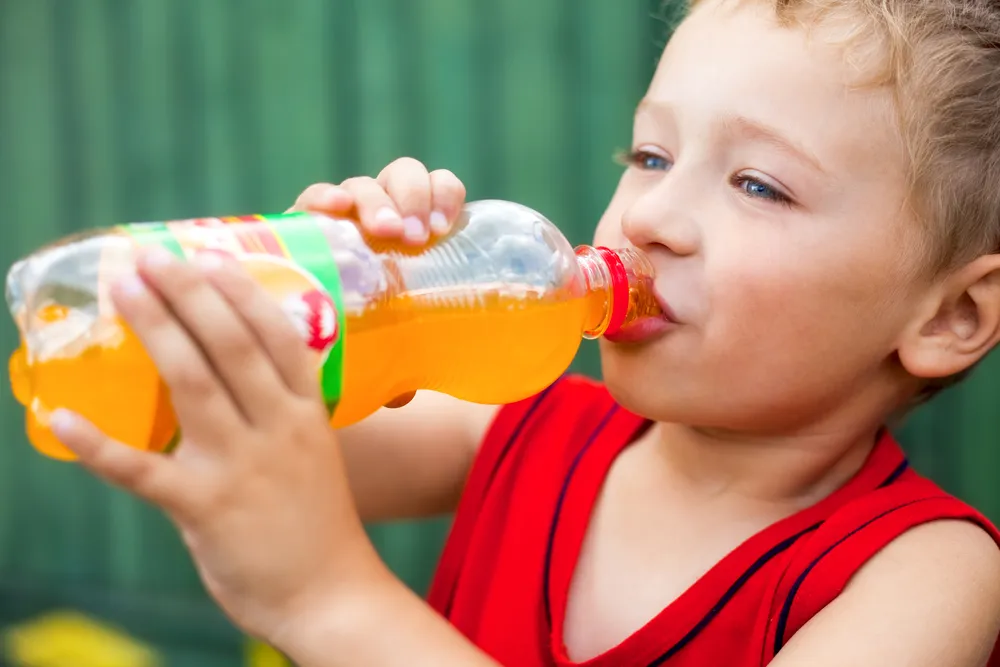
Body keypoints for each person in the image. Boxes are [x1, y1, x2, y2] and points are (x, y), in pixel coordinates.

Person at [49, 0, 1000, 664]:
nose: (651, 215)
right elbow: (227, 440)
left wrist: (329, 604)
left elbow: (310, 574)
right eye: (651, 154)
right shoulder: (513, 420)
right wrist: (340, 296)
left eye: (759, 184)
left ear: (952, 314)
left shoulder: (930, 576)